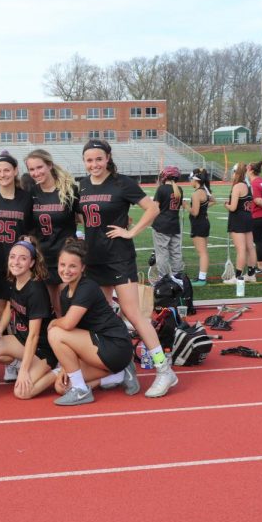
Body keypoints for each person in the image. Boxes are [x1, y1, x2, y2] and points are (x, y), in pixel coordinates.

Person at [78, 139, 176, 398]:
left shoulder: (122, 183)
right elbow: (84, 215)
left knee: (133, 314)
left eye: (99, 159)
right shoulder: (83, 185)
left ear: (108, 158)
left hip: (119, 258)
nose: (94, 164)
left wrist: (131, 231)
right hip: (94, 259)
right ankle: (118, 366)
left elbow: (153, 208)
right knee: (103, 316)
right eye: (89, 160)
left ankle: (164, 369)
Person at [47, 239, 139, 405]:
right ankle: (119, 375)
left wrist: (54, 322)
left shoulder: (87, 287)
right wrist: (65, 367)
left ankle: (82, 391)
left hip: (115, 346)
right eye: (62, 265)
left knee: (55, 332)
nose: (66, 270)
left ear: (82, 268)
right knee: (62, 387)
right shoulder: (65, 292)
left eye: (72, 266)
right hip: (96, 347)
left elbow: (67, 325)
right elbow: (73, 334)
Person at [0, 240, 58, 400]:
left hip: (43, 350)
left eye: (22, 258)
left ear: (31, 262)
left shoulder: (35, 290)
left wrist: (24, 372)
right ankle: (23, 364)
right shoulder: (14, 279)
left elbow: (34, 335)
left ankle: (59, 370)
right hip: (22, 341)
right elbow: (9, 307)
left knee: (22, 393)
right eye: (12, 257)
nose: (16, 262)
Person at [0, 151, 34, 382]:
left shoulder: (26, 197)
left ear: (15, 171)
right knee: (2, 312)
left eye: (6, 170)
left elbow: (33, 230)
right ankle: (11, 361)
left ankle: (22, 355)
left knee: (20, 313)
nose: (2, 174)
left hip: (19, 266)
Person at [24, 149, 80, 320]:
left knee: (68, 304)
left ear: (49, 165)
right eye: (32, 169)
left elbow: (85, 217)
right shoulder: (31, 193)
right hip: (44, 257)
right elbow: (27, 225)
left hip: (66, 257)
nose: (36, 173)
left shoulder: (68, 190)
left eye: (39, 167)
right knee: (55, 307)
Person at [223, 162, 256, 284]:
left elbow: (233, 207)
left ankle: (237, 276)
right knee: (250, 247)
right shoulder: (248, 185)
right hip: (247, 217)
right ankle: (251, 274)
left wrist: (226, 205)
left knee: (241, 249)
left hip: (238, 219)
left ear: (236, 173)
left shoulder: (237, 186)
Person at [151, 166, 184, 277]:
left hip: (162, 225)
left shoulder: (161, 189)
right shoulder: (179, 190)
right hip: (175, 225)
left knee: (162, 253)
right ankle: (177, 276)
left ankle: (163, 278)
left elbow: (155, 208)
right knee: (175, 252)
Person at [187, 168, 215, 286]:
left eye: (190, 179)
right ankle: (201, 276)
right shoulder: (205, 190)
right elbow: (213, 201)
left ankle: (202, 279)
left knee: (202, 252)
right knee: (204, 252)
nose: (190, 182)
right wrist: (204, 208)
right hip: (204, 223)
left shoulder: (196, 193)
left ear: (195, 180)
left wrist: (185, 206)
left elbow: (195, 212)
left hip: (198, 224)